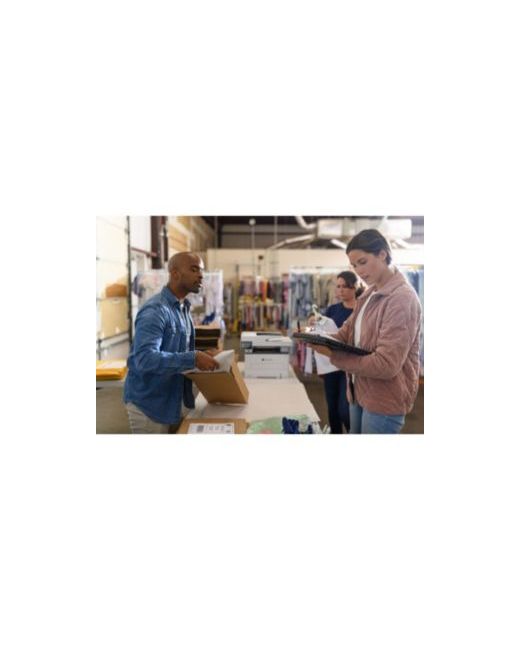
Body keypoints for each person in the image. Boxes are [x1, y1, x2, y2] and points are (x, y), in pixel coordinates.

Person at [309, 229, 422, 434]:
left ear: (382, 254)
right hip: (359, 391)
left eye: (362, 262)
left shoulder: (401, 298)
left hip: (384, 399)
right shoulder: (369, 294)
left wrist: (334, 356)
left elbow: (386, 365)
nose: (359, 271)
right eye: (354, 265)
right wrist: (318, 337)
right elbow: (346, 333)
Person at [123, 252, 219, 433]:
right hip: (150, 406)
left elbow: (175, 350)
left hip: (173, 400)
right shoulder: (155, 311)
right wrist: (193, 358)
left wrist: (202, 355)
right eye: (194, 270)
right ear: (175, 273)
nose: (201, 275)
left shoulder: (183, 308)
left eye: (202, 271)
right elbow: (145, 359)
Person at [309, 271, 364, 433]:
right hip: (330, 363)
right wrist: (313, 321)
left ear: (354, 287)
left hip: (349, 365)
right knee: (332, 407)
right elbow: (322, 329)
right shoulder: (332, 309)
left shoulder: (361, 310)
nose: (340, 290)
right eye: (338, 286)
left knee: (345, 410)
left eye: (344, 286)